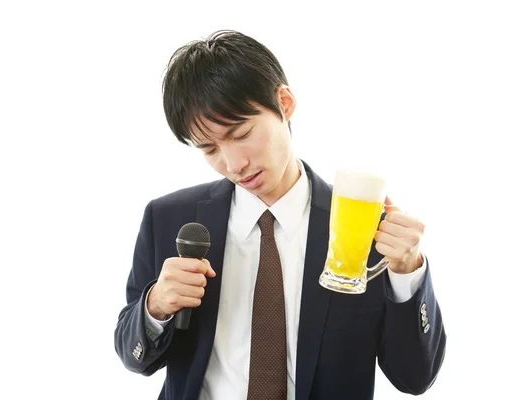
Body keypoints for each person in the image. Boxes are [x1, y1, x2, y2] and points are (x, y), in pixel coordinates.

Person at [114, 30, 446, 400]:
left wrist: (408, 273)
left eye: (241, 134)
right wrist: (156, 305)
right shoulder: (169, 218)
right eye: (209, 149)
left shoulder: (364, 229)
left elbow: (414, 377)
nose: (234, 164)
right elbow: (134, 357)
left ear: (284, 103)